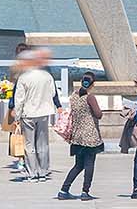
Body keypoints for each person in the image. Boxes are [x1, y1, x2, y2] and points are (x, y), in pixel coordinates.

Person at [57, 72, 105, 201]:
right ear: (93, 84)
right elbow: (98, 114)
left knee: (78, 165)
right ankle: (85, 192)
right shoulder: (90, 97)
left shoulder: (73, 96)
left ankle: (64, 189)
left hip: (77, 135)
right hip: (90, 136)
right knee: (89, 164)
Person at [11, 47, 57, 181]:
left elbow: (19, 100)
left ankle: (32, 172)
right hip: (44, 112)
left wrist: (17, 117)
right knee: (42, 143)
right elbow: (53, 93)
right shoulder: (47, 76)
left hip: (28, 113)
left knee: (29, 144)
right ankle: (43, 171)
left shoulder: (23, 78)